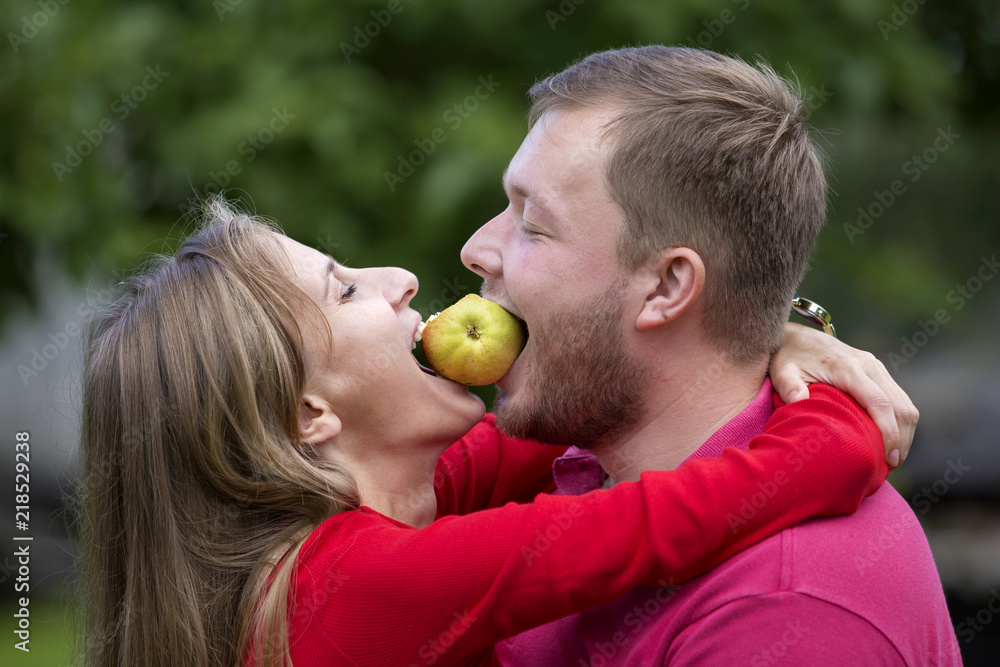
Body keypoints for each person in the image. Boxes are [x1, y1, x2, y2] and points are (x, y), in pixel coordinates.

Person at [78, 197, 910, 667]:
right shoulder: (357, 586)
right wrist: (840, 409)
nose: (401, 279)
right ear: (309, 417)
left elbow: (631, 383)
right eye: (343, 291)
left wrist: (781, 328)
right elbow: (686, 513)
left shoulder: (374, 519)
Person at [455, 46, 961, 665]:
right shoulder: (582, 454)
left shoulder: (788, 612)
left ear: (668, 287)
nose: (475, 249)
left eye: (533, 224)